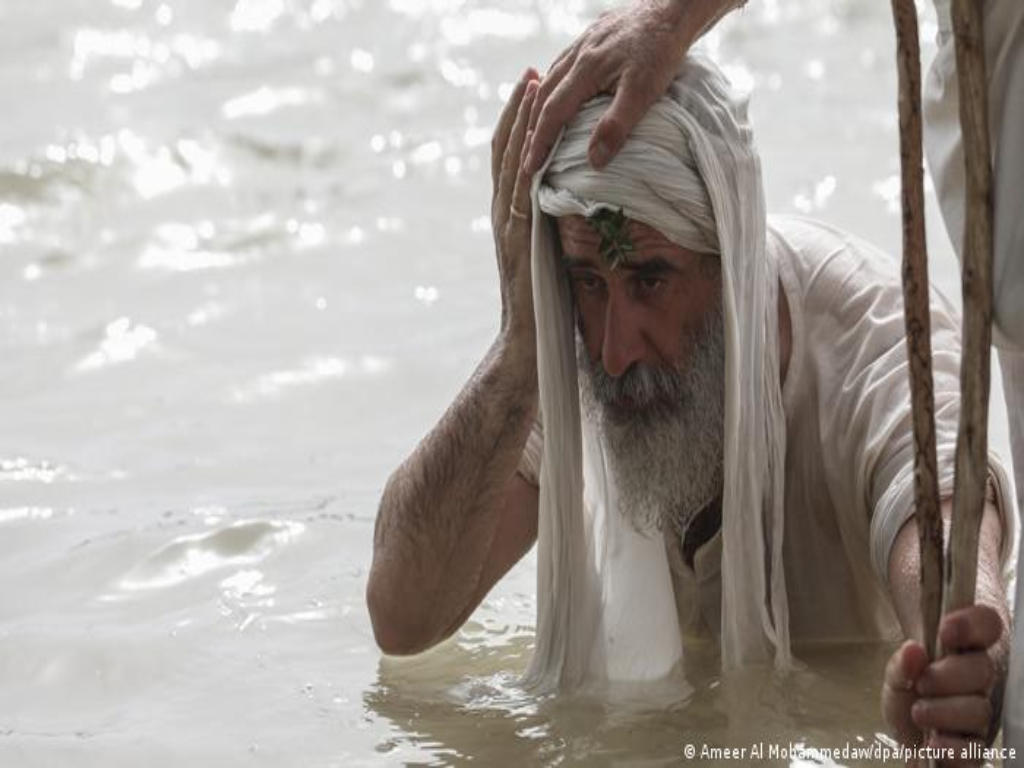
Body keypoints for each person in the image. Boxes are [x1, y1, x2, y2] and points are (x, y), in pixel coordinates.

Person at [520, 0, 1024, 758]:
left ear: (734, 271)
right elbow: (401, 619)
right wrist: (511, 349)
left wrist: (958, 653)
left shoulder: (871, 336)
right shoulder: (584, 344)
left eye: (651, 281)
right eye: (586, 281)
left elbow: (945, 526)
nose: (615, 348)